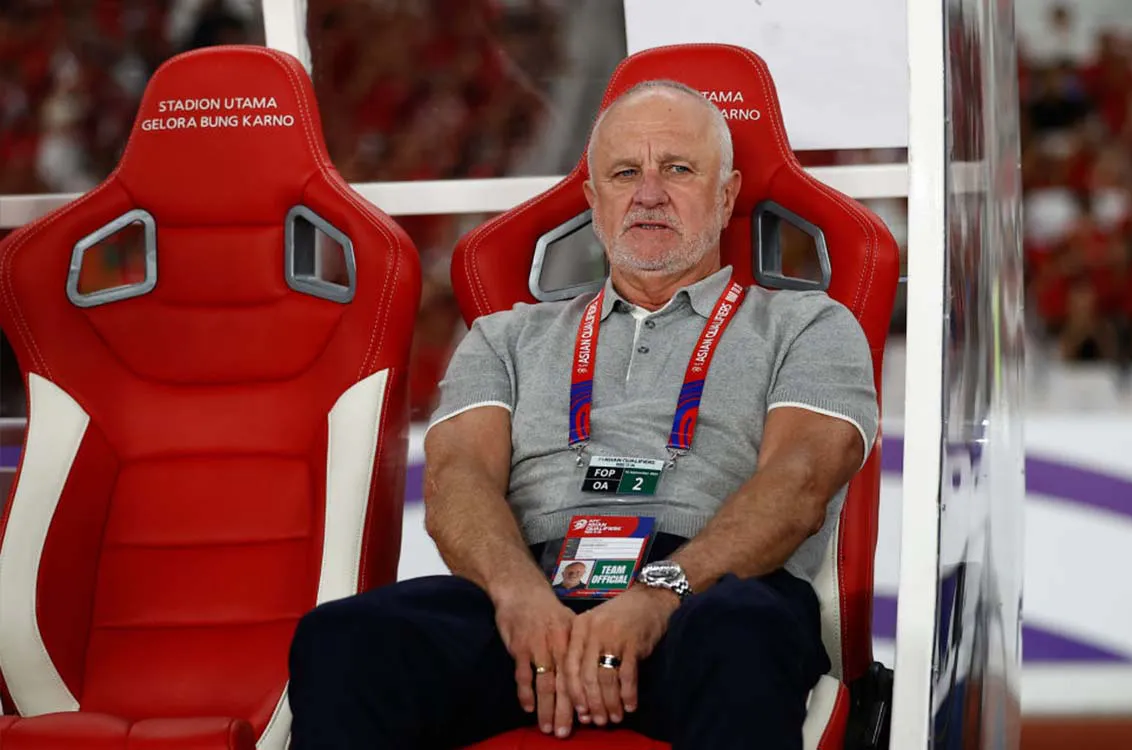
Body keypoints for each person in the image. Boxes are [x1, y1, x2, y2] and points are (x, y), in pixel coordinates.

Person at [287, 79, 877, 749]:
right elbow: (456, 481)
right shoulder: (506, 336)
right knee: (344, 640)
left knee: (743, 631)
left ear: (727, 194)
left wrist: (659, 594)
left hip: (704, 596)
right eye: (625, 173)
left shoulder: (808, 326)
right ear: (595, 202)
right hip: (532, 591)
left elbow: (798, 484)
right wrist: (518, 596)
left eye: (677, 169)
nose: (648, 193)